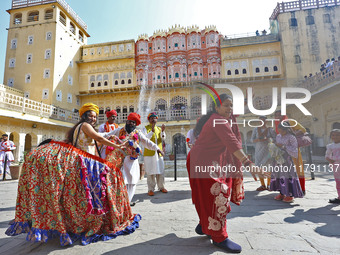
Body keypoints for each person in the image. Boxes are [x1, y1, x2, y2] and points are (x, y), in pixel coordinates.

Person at [6, 103, 141, 246]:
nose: (93, 119)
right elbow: (100, 139)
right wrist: (118, 146)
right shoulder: (85, 125)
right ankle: (95, 221)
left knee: (80, 194)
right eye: (90, 115)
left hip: (80, 160)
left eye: (95, 116)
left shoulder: (77, 127)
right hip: (86, 162)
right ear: (84, 116)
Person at [187, 94, 265, 253]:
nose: (230, 109)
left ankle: (204, 224)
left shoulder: (221, 119)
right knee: (218, 197)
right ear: (216, 108)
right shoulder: (219, 120)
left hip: (205, 160)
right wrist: (248, 163)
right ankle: (219, 237)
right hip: (205, 163)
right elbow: (232, 142)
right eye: (226, 105)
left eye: (231, 106)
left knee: (207, 196)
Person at [110, 112, 164, 203]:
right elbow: (107, 134)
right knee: (122, 180)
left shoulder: (137, 132)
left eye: (133, 122)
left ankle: (127, 202)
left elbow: (147, 141)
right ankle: (122, 202)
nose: (131, 123)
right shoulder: (119, 130)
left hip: (132, 161)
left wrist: (157, 148)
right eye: (130, 121)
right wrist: (95, 135)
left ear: (135, 124)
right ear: (126, 121)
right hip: (121, 160)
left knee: (132, 181)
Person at [269, 122, 304, 203]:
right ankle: (281, 193)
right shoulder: (278, 136)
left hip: (286, 160)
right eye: (279, 130)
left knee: (288, 176)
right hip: (278, 159)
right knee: (279, 175)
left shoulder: (291, 137)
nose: (280, 132)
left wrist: (283, 146)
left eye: (282, 131)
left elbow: (294, 150)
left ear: (286, 129)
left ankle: (290, 195)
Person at [274, 110, 306, 195]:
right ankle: (286, 189)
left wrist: (292, 134)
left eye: (279, 115)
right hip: (282, 153)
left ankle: (302, 189)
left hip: (292, 149)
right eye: (276, 115)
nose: (278, 117)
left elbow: (303, 129)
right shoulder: (276, 124)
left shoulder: (290, 122)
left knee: (298, 169)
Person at [142, 112, 167, 196]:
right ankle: (150, 189)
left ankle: (161, 187)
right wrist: (152, 131)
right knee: (150, 171)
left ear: (157, 119)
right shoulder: (145, 128)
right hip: (149, 154)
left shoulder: (159, 129)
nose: (153, 120)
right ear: (149, 120)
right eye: (151, 118)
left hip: (159, 153)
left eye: (154, 118)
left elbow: (163, 139)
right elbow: (145, 139)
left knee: (161, 170)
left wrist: (163, 131)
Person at [251, 116, 276, 191]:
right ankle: (262, 185)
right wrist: (258, 139)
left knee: (269, 167)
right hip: (259, 150)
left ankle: (269, 184)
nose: (262, 122)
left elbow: (275, 138)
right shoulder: (256, 129)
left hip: (268, 150)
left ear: (266, 121)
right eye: (260, 121)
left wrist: (268, 139)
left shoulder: (270, 129)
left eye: (263, 120)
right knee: (259, 167)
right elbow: (252, 139)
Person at [325, 129, 340, 204]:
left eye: (337, 135)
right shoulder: (330, 146)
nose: (335, 136)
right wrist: (330, 160)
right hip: (336, 166)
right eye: (333, 135)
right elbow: (327, 155)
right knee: (338, 182)